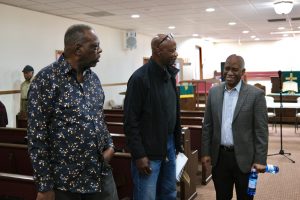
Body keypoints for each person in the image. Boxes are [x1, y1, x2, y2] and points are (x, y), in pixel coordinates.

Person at [27, 24, 118, 200]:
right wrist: (44, 186)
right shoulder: (46, 80)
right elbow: (36, 136)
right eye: (95, 46)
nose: (100, 51)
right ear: (78, 49)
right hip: (67, 183)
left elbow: (99, 118)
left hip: (100, 174)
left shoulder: (93, 79)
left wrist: (110, 145)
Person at [124, 34, 183, 200]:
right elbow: (130, 121)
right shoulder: (139, 79)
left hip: (169, 144)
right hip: (148, 150)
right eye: (171, 50)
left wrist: (177, 144)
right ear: (158, 50)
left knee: (169, 192)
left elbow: (174, 112)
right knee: (147, 196)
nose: (175, 54)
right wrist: (139, 155)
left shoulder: (169, 75)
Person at [201, 54, 269, 200]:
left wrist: (260, 159)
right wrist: (206, 153)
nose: (230, 72)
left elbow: (261, 130)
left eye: (235, 69)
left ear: (243, 72)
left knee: (245, 197)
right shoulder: (214, 92)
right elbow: (208, 125)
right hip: (220, 158)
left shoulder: (255, 95)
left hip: (246, 159)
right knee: (222, 196)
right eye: (227, 68)